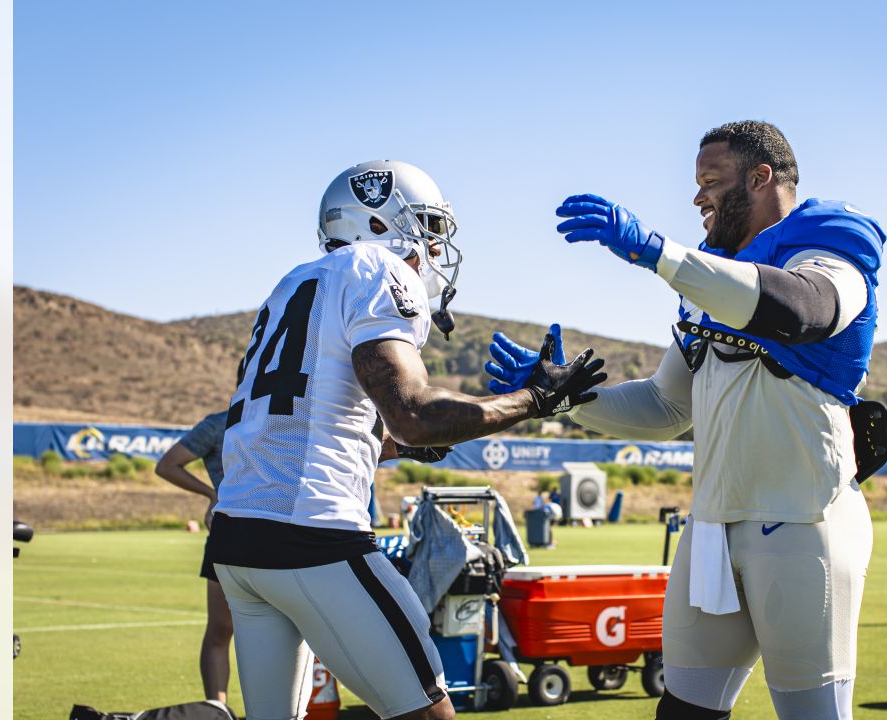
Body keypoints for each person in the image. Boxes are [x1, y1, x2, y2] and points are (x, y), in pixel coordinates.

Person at [486, 121, 886, 720]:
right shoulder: (712, 279)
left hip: (803, 524)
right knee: (682, 713)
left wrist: (658, 254)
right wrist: (563, 397)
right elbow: (668, 406)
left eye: (711, 182)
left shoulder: (828, 242)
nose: (698, 198)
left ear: (761, 178)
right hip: (712, 531)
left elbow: (804, 308)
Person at [207, 160, 606, 720]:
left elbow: (317, 423)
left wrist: (400, 446)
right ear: (379, 225)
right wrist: (538, 400)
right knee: (425, 713)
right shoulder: (376, 268)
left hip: (237, 540)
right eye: (427, 227)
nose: (435, 248)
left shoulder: (293, 282)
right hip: (312, 537)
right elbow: (413, 413)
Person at [154, 409, 233, 706]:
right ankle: (219, 708)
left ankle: (218, 709)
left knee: (221, 632)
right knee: (223, 631)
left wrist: (213, 495)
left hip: (231, 533)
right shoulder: (221, 423)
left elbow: (167, 465)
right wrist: (212, 494)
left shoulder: (221, 422)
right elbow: (167, 466)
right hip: (254, 533)